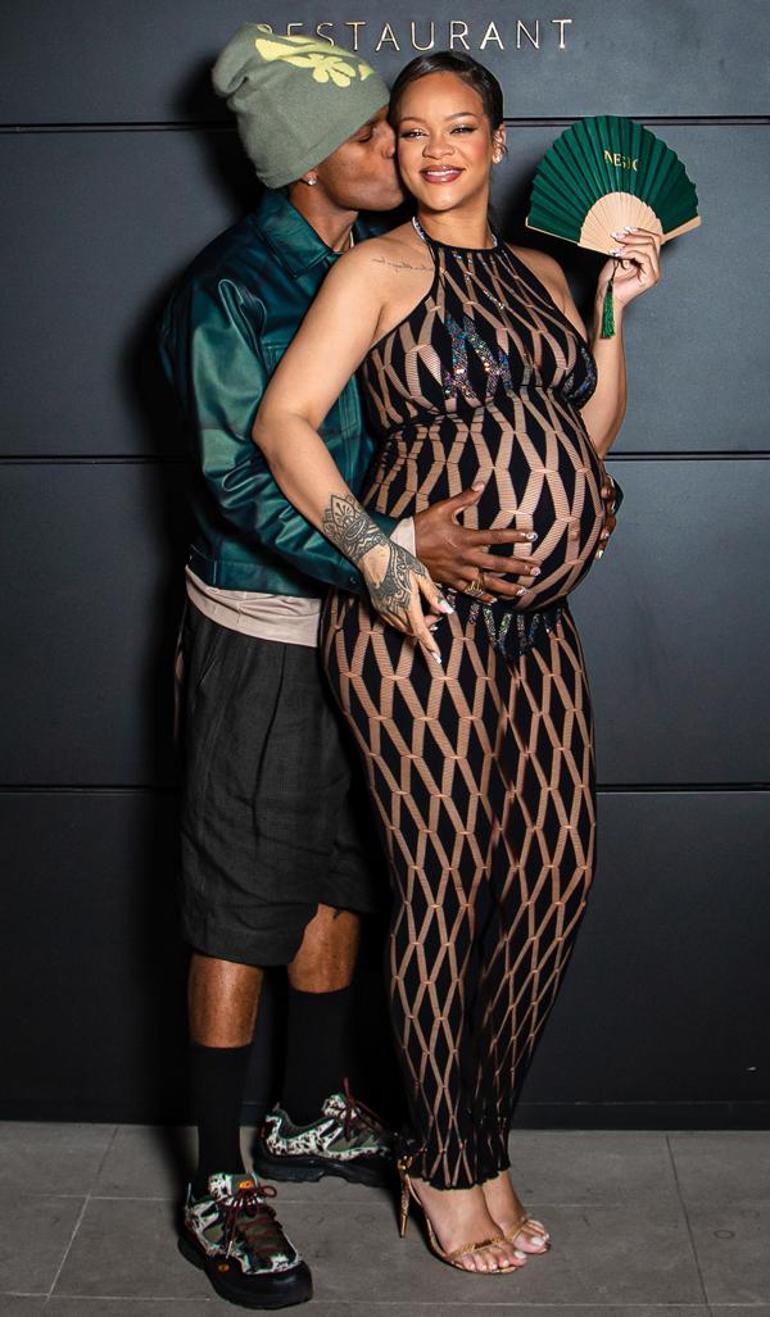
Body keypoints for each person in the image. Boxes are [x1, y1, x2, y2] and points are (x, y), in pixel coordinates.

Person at [159, 29, 558, 1309]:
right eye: (374, 132)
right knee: (241, 896)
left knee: (345, 874)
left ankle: (307, 1109)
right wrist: (384, 547)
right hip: (268, 627)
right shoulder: (228, 290)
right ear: (303, 155)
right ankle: (218, 1175)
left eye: (411, 127)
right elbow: (235, 478)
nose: (399, 147)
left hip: (384, 636)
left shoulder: (382, 259)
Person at [253, 50, 653, 1277]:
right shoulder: (377, 269)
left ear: (495, 142)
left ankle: (471, 1137)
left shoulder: (541, 272)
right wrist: (376, 554)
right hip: (418, 627)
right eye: (411, 130)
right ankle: (449, 1166)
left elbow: (583, 432)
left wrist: (611, 317)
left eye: (458, 127)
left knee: (552, 878)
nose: (433, 150)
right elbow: (282, 423)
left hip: (536, 625)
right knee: (446, 884)